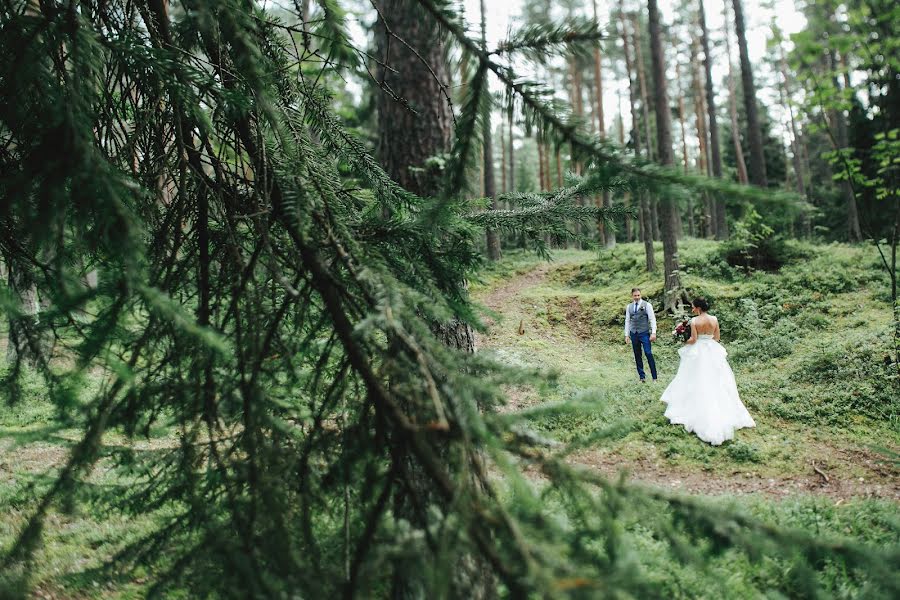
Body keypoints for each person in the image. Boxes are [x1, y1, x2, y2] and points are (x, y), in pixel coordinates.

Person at [660, 297, 755, 445]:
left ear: (698, 308)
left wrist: (681, 339)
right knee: (717, 379)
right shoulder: (714, 319)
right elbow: (717, 338)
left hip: (698, 351)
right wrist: (708, 340)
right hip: (712, 350)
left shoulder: (694, 321)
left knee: (694, 377)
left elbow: (693, 339)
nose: (692, 310)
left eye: (693, 307)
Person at [624, 287, 657, 382]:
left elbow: (652, 319)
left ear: (640, 295)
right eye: (635, 295)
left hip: (644, 333)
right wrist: (626, 335)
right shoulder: (629, 307)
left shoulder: (647, 305)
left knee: (648, 353)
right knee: (637, 354)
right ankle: (642, 377)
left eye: (638, 295)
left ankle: (654, 377)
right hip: (634, 333)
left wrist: (653, 332)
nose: (637, 297)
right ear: (632, 296)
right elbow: (627, 321)